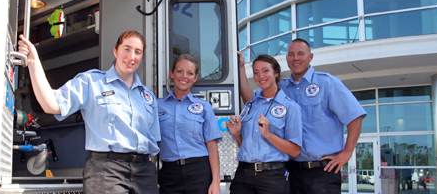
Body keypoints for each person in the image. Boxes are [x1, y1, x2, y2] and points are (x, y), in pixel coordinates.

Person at [18, 31, 160, 194]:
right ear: (115, 51)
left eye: (137, 52)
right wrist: (33, 61)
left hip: (144, 173)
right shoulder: (91, 82)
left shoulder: (147, 96)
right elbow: (51, 105)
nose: (131, 56)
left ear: (142, 57)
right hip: (107, 171)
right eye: (126, 49)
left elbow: (153, 139)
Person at [238, 39, 366, 194]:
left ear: (310, 57)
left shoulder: (327, 83)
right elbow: (250, 101)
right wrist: (240, 68)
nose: (295, 58)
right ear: (286, 59)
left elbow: (355, 116)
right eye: (291, 54)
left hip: (321, 171)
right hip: (291, 170)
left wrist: (347, 152)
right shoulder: (281, 87)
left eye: (300, 54)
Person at [225, 54, 302, 194]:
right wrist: (236, 135)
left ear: (276, 73)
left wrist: (268, 134)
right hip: (243, 175)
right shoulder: (251, 105)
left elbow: (295, 150)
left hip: (272, 177)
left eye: (265, 70)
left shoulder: (291, 107)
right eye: (256, 72)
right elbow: (247, 146)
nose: (260, 76)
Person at [157, 54, 222, 194]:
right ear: (172, 74)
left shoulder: (204, 107)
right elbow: (151, 143)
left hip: (199, 172)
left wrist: (216, 182)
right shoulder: (157, 106)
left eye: (190, 73)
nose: (184, 76)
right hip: (169, 173)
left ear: (195, 78)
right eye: (179, 71)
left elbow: (212, 146)